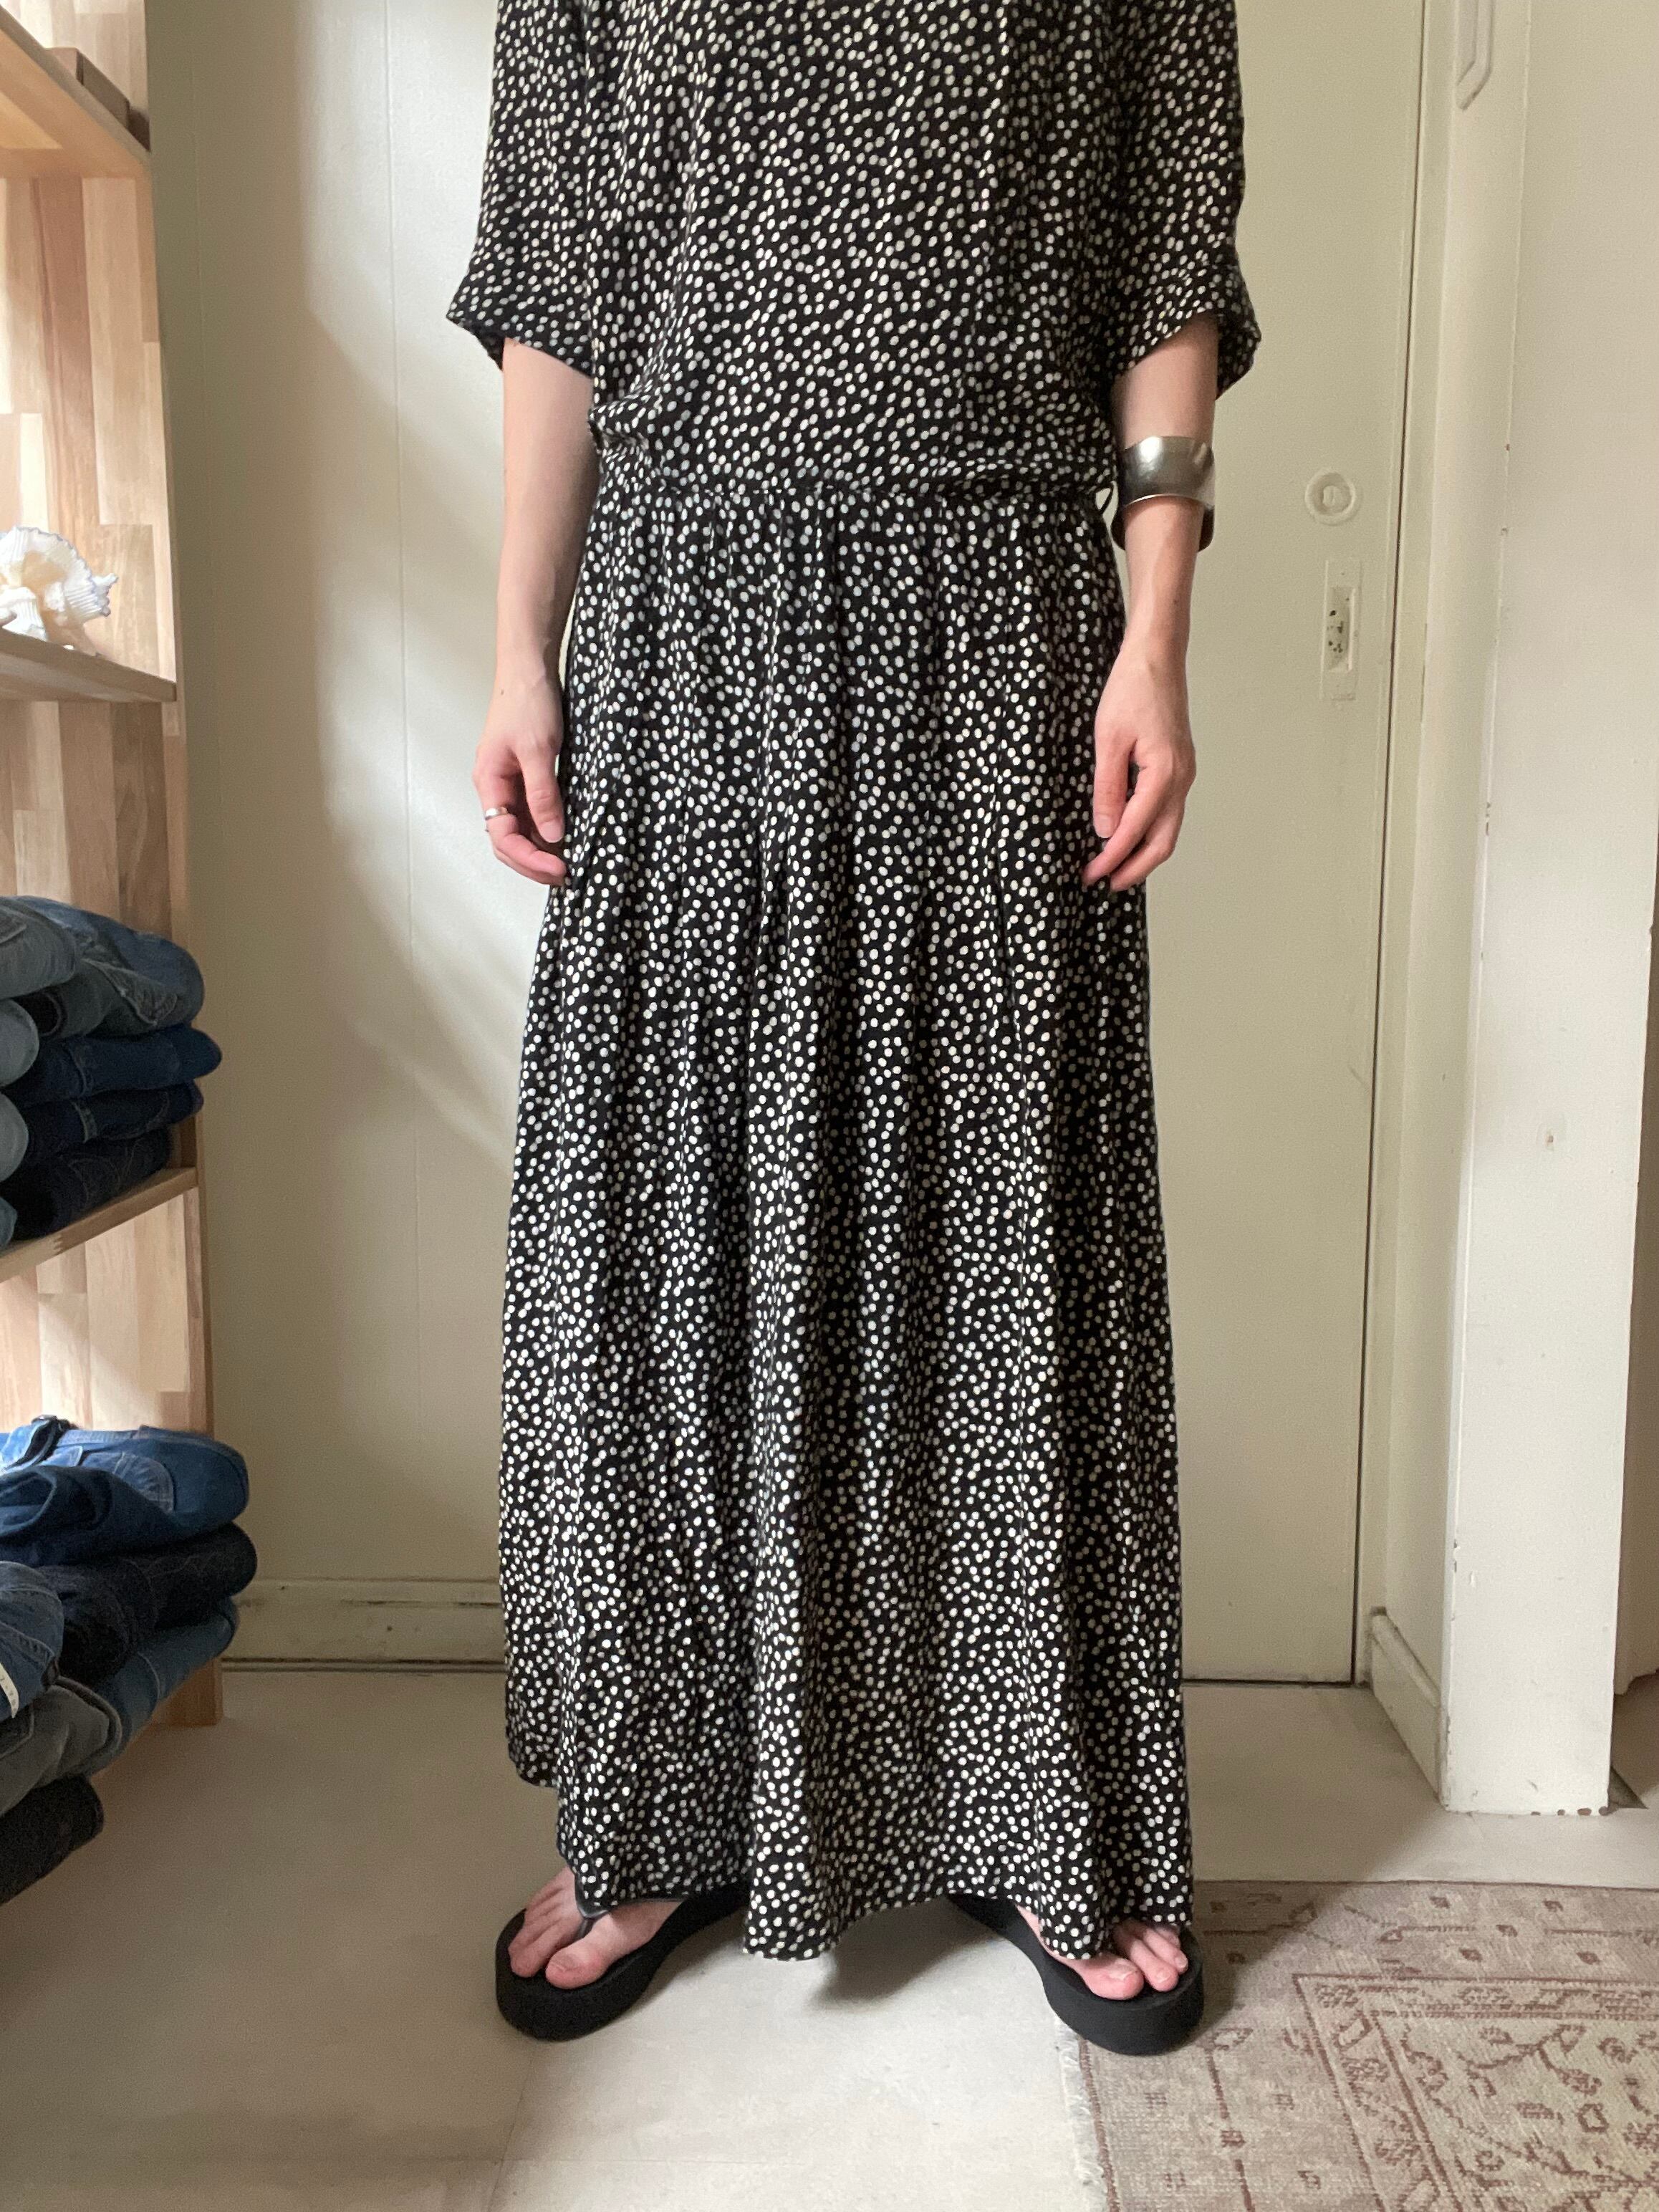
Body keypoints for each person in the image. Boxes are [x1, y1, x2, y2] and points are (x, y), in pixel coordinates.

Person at [450, 0, 1259, 2054]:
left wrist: (1158, 634)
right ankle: (662, 1804)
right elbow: (560, 287)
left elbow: (1166, 262)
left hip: (1000, 613)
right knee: (667, 1231)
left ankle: (1035, 1803)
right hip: (682, 618)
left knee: (997, 1227)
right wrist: (519, 651)